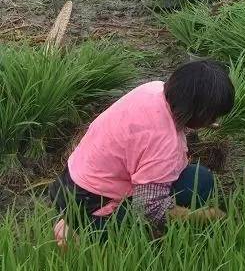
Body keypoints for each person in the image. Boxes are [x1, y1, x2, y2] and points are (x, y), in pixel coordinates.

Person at [48, 60, 233, 246]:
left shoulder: (154, 89)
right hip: (92, 200)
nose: (214, 120)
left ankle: (75, 218)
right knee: (141, 240)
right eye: (212, 115)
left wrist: (199, 121)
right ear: (197, 112)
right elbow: (150, 208)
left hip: (72, 179)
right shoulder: (164, 142)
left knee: (199, 179)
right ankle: (79, 230)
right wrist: (204, 216)